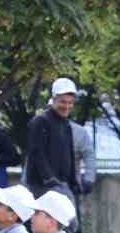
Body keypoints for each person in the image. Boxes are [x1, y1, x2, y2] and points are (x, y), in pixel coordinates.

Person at [25, 78, 80, 207]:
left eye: (70, 103)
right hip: (42, 185)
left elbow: (69, 152)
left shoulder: (65, 123)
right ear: (53, 99)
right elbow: (36, 153)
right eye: (63, 102)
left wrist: (73, 181)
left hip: (60, 183)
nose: (67, 106)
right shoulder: (40, 121)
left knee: (68, 224)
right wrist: (49, 178)